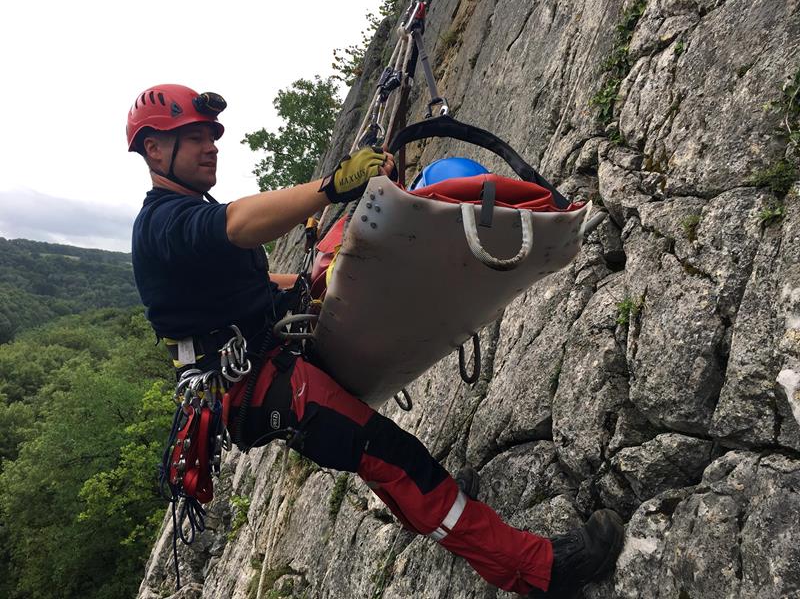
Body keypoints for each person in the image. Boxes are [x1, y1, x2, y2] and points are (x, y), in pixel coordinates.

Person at [127, 83, 624, 597]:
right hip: (260, 383)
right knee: (393, 455)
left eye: (212, 135)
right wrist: (332, 185)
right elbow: (236, 224)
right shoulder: (164, 224)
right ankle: (537, 570)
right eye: (194, 137)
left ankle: (429, 506)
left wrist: (310, 281)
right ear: (155, 150)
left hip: (267, 367)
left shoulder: (186, 218)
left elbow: (248, 286)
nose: (211, 145)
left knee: (378, 452)